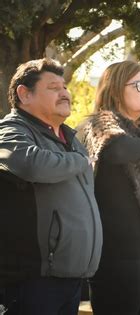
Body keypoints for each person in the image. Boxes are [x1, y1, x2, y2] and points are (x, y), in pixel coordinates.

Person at [0, 58, 102, 315]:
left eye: (64, 86)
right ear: (24, 94)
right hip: (34, 280)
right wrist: (80, 161)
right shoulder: (10, 131)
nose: (64, 92)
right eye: (54, 87)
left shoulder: (69, 138)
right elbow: (32, 165)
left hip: (71, 278)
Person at [77, 61, 140, 315]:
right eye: (138, 85)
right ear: (116, 88)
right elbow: (116, 149)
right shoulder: (100, 124)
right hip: (117, 249)